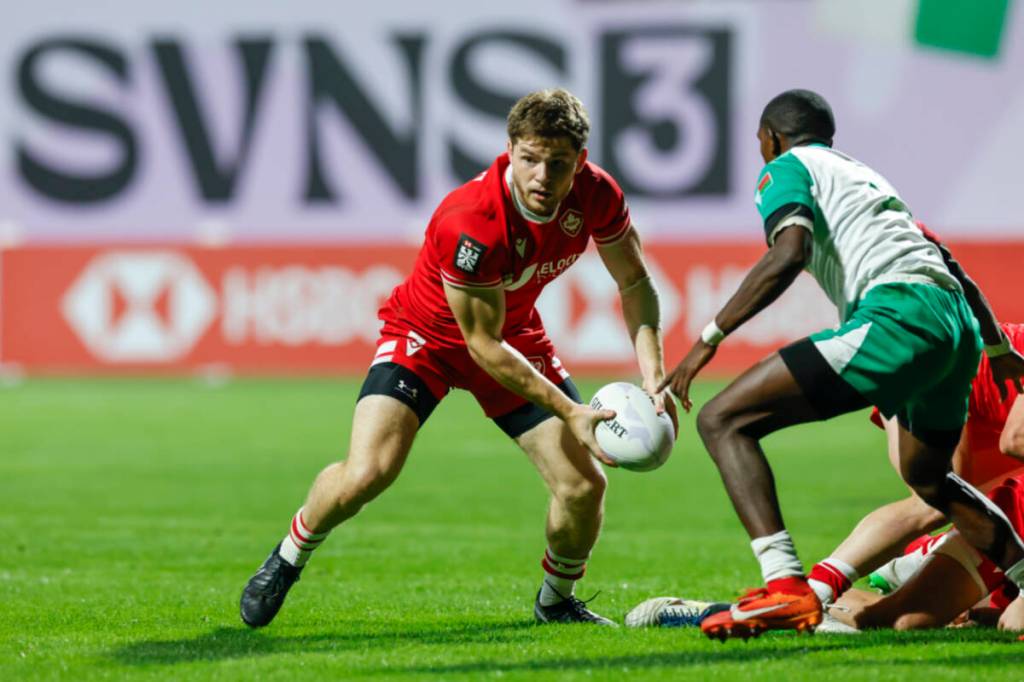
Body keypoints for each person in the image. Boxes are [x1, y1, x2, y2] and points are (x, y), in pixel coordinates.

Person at [239, 88, 673, 628]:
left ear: (579, 162)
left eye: (557, 163)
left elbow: (633, 280)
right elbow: (480, 344)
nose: (542, 176)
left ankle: (556, 601)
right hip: (428, 339)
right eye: (529, 159)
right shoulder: (471, 220)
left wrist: (655, 376)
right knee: (369, 471)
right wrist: (570, 411)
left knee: (583, 487)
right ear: (509, 149)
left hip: (514, 337)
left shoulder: (597, 194)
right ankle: (288, 557)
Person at [659, 88, 1024, 641]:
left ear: (772, 138)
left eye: (763, 143)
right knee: (932, 477)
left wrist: (708, 338)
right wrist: (997, 352)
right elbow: (951, 266)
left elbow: (790, 251)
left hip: (900, 313)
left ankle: (784, 587)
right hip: (957, 327)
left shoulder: (786, 167)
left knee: (722, 420)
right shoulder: (867, 179)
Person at [807, 320, 1024, 611]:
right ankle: (808, 594)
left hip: (959, 382)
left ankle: (924, 552)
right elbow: (1017, 439)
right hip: (929, 367)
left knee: (982, 498)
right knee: (935, 499)